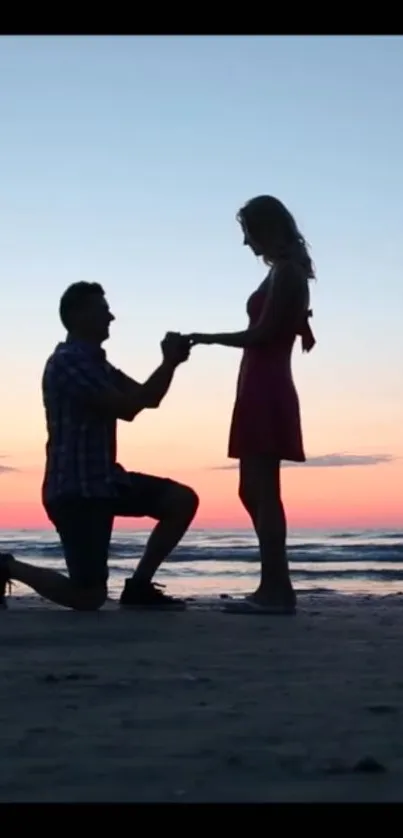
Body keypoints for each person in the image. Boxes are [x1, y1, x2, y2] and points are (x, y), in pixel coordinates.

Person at [0, 282, 198, 611]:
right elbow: (127, 408)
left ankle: (139, 587)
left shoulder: (97, 364)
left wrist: (171, 363)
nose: (111, 316)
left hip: (105, 481)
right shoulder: (67, 361)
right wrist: (167, 363)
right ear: (76, 315)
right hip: (76, 491)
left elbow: (148, 399)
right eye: (102, 309)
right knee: (88, 596)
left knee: (181, 500)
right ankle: (7, 567)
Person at [185, 195, 316, 615]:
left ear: (265, 229)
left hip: (267, 384)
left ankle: (277, 588)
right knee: (250, 489)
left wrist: (206, 338)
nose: (245, 244)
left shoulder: (287, 273)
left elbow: (261, 334)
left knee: (264, 489)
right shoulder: (282, 273)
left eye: (247, 233)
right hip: (255, 383)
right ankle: (274, 582)